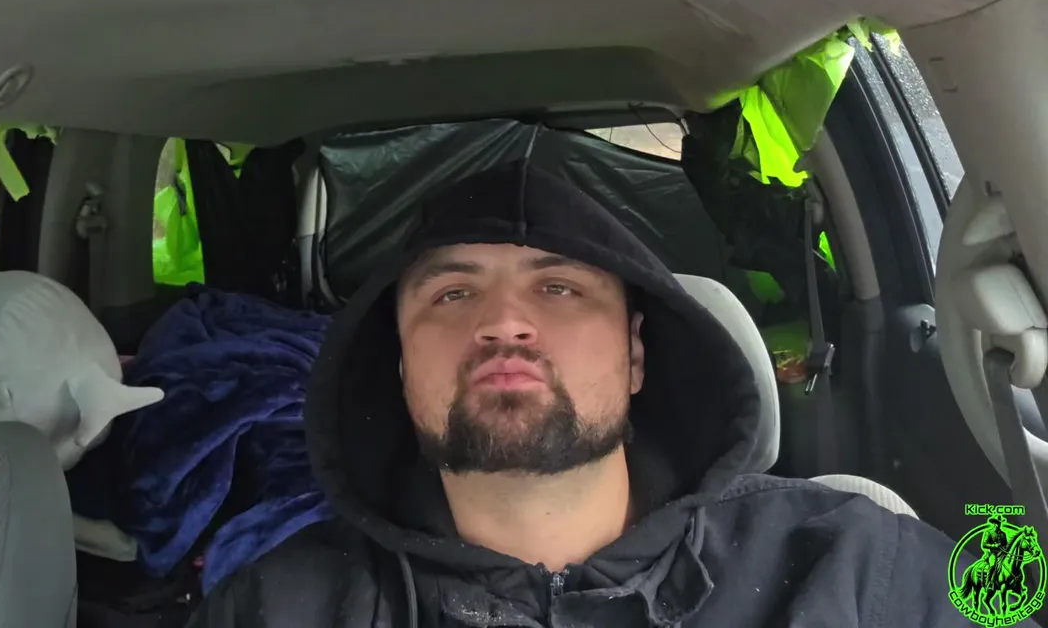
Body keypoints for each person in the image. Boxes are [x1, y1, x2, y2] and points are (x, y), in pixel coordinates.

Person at [191, 160, 974, 627]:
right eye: (453, 294)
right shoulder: (275, 608)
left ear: (636, 356)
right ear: (399, 373)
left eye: (559, 288)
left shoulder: (857, 562)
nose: (503, 322)